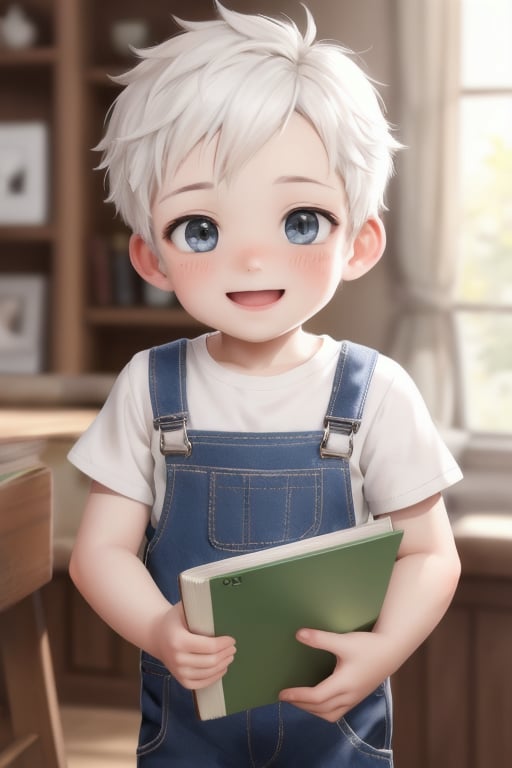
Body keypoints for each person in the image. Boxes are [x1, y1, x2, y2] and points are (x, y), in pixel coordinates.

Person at [68, 3, 462, 765]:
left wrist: (381, 653)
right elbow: (100, 554)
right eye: (202, 230)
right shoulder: (149, 388)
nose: (251, 259)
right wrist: (158, 631)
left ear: (360, 241)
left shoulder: (376, 391)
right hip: (188, 730)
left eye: (300, 221)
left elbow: (429, 555)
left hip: (334, 727)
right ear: (151, 257)